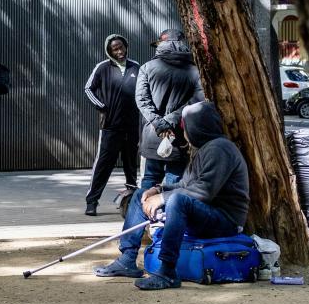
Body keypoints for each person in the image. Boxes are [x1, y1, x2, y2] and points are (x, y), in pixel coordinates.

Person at [93, 101, 250, 290]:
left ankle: (167, 272)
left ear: (197, 127)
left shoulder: (220, 148)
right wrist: (159, 189)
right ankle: (127, 259)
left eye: (185, 127)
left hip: (225, 220)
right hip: (206, 213)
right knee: (141, 194)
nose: (183, 132)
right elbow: (185, 184)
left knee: (177, 200)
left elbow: (203, 191)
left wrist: (163, 198)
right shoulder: (204, 149)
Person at [135, 29, 203, 190]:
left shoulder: (147, 67)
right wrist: (170, 120)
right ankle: (170, 214)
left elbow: (141, 100)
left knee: (150, 178)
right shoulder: (194, 70)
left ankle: (142, 213)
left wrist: (160, 123)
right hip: (180, 136)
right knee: (175, 180)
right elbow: (197, 101)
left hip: (153, 133)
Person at [83, 34, 141, 215]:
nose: (120, 51)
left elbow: (143, 90)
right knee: (103, 163)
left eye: (121, 47)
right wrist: (102, 106)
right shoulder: (103, 67)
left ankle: (131, 199)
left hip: (131, 125)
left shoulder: (136, 67)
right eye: (115, 49)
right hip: (110, 125)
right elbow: (88, 88)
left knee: (131, 163)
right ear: (109, 51)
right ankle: (92, 201)